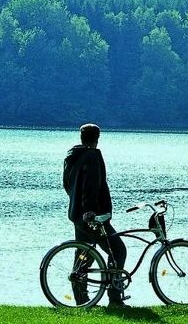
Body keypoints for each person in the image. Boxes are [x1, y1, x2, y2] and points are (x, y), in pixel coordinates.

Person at [62, 123, 128, 308]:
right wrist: (90, 211)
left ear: (82, 137)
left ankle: (81, 299)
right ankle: (114, 297)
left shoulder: (73, 157)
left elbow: (67, 185)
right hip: (91, 217)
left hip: (76, 214)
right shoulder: (92, 156)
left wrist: (79, 208)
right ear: (97, 138)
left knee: (84, 254)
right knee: (118, 251)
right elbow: (91, 186)